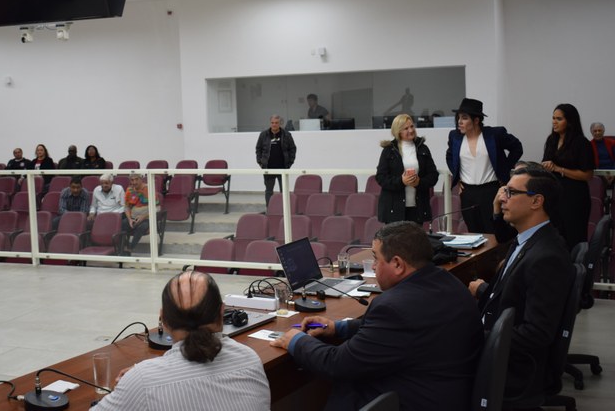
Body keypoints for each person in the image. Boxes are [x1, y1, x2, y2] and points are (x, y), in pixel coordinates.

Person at [270, 221, 483, 411]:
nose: (372, 266)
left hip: (415, 400)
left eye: (375, 258)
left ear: (397, 264)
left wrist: (296, 340)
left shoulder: (394, 308)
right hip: (451, 392)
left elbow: (338, 365)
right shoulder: (449, 282)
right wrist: (339, 327)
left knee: (343, 388)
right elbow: (400, 331)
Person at [90, 271, 270, 411]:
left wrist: (140, 377)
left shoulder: (142, 381)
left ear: (163, 319)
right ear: (222, 312)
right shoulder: (249, 358)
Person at [468, 167, 574, 400]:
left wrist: (475, 338)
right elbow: (513, 295)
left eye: (511, 192)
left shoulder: (547, 257)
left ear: (536, 201)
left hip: (513, 369)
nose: (502, 198)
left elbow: (536, 333)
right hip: (498, 347)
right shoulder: (526, 240)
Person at [446, 98, 523, 234]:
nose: (459, 121)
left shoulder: (495, 134)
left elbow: (517, 147)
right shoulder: (455, 137)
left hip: (491, 190)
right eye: (458, 117)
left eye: (464, 118)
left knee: (495, 231)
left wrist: (504, 169)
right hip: (467, 193)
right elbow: (450, 156)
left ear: (476, 120)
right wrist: (457, 178)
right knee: (473, 233)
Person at [541, 103, 594, 250]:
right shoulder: (551, 140)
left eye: (559, 119)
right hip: (554, 196)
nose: (554, 122)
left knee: (573, 239)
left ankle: (576, 265)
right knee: (554, 239)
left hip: (574, 197)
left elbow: (587, 175)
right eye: (553, 118)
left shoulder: (581, 142)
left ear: (570, 122)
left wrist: (558, 169)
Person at [375, 114, 438, 224]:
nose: (411, 130)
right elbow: (381, 177)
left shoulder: (423, 148)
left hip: (417, 209)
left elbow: (433, 175)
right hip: (394, 210)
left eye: (412, 126)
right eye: (406, 128)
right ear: (398, 131)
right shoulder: (389, 150)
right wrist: (401, 181)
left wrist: (419, 182)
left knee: (415, 235)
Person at [255, 114, 297, 207]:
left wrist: (290, 163)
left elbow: (293, 148)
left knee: (284, 191)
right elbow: (258, 149)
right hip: (268, 168)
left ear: (280, 123)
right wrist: (260, 162)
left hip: (283, 168)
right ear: (270, 123)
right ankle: (269, 209)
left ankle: (284, 210)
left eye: (276, 123)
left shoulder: (286, 134)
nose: (274, 125)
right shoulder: (263, 135)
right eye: (272, 123)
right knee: (269, 191)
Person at [122, 173, 159, 255]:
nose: (134, 182)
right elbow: (126, 207)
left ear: (141, 179)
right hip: (133, 216)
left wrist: (143, 216)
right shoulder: (129, 190)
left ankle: (130, 248)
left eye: (136, 179)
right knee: (122, 224)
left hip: (147, 216)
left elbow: (157, 208)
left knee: (142, 226)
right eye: (132, 180)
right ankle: (124, 246)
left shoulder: (149, 189)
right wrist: (129, 219)